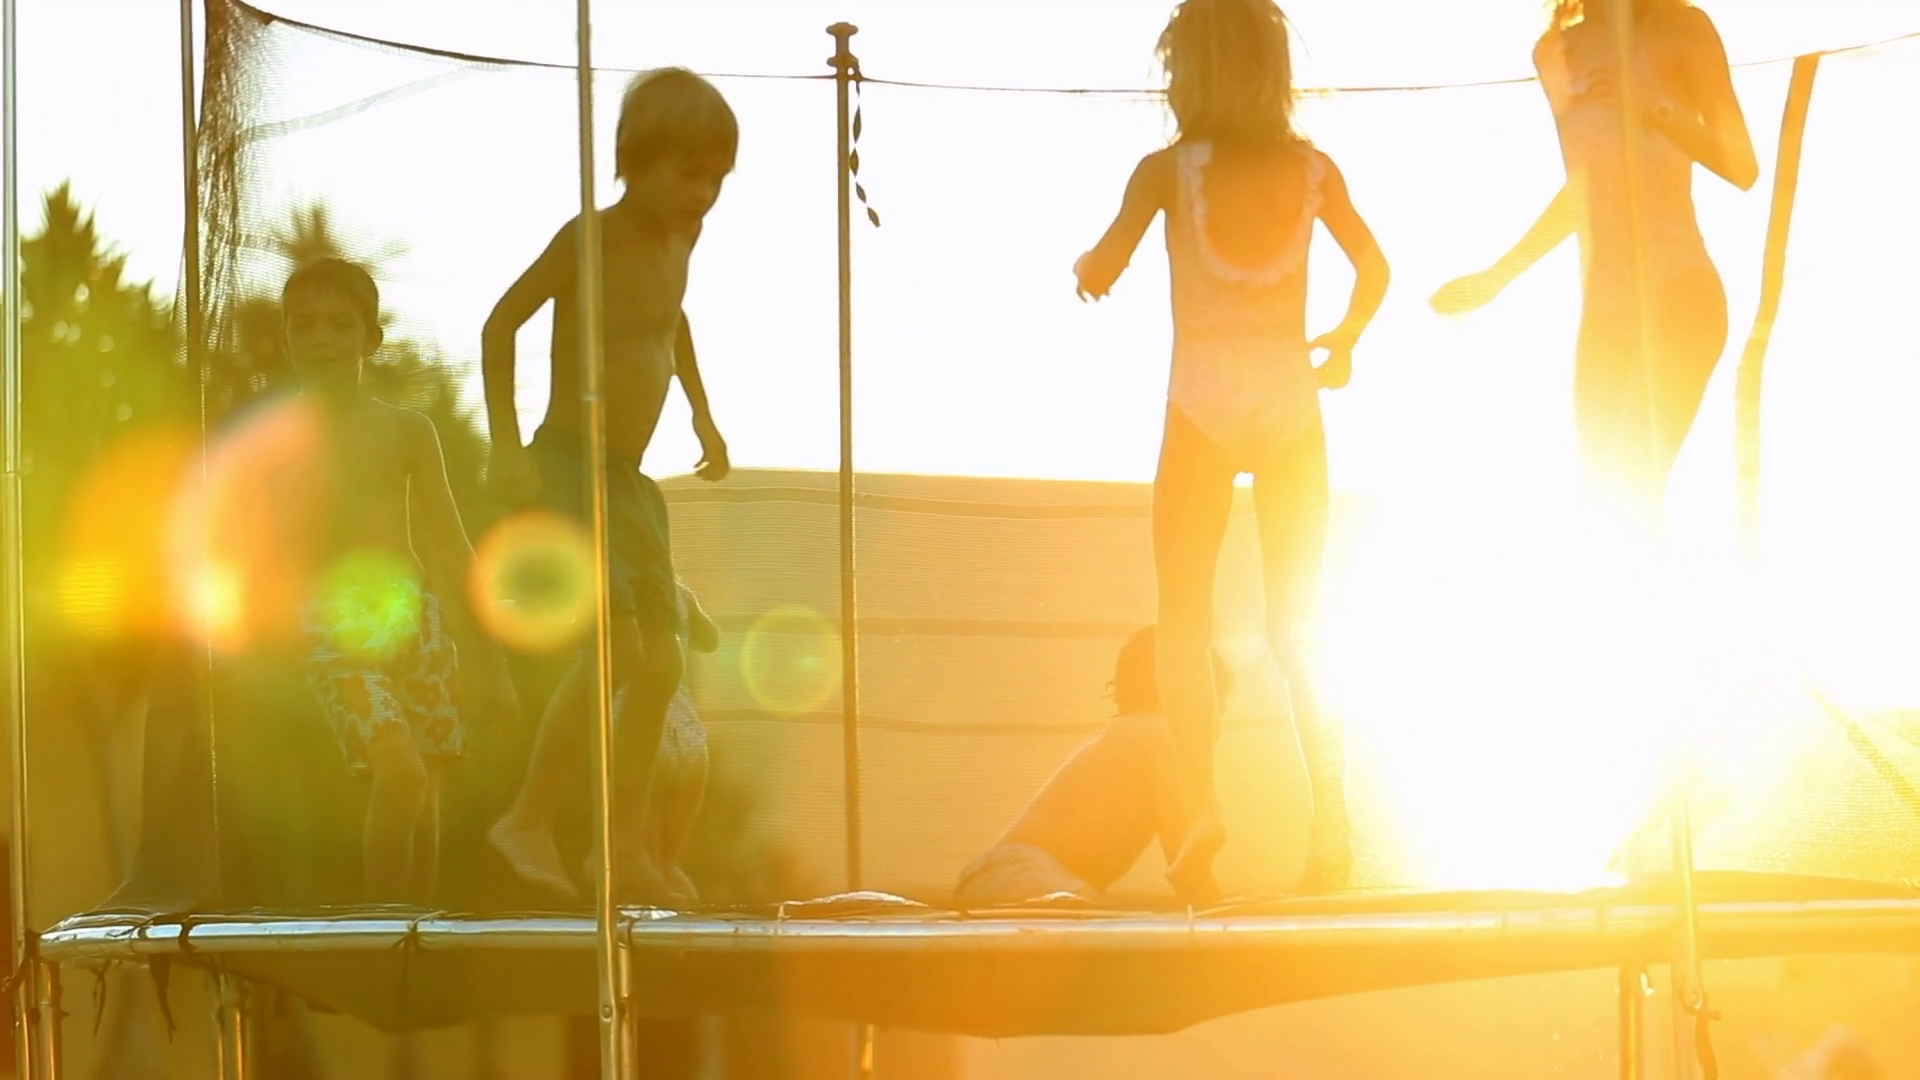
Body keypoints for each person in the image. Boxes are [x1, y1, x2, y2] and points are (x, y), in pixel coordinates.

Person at [1073, 0, 1389, 902]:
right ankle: (1333, 823)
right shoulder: (1313, 171)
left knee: (1183, 615)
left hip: (1200, 408)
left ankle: (1202, 809)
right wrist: (1345, 340)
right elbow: (1375, 268)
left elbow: (1104, 262)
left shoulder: (1165, 174)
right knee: (1300, 623)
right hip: (1291, 406)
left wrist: (1091, 269)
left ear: (1194, 74)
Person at [482, 68, 736, 903]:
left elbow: (672, 322)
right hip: (569, 465)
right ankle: (527, 819)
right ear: (632, 159)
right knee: (619, 651)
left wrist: (702, 413)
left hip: (630, 481)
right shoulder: (591, 238)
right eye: (688, 174)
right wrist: (507, 446)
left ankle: (620, 847)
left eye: (717, 178)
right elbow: (501, 323)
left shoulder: (683, 239)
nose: (702, 194)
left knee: (660, 666)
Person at [1431, 0, 1756, 521]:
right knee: (1605, 503)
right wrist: (1497, 277)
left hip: (1680, 297)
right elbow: (1585, 188)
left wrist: (1653, 108)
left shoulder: (1681, 28)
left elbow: (1743, 166)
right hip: (1605, 313)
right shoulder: (1555, 51)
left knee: (1634, 491)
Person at [281, 256, 517, 903]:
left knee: (428, 788)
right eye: (304, 326)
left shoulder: (408, 430)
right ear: (288, 339)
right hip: (336, 623)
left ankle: (420, 924)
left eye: (339, 325)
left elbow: (451, 544)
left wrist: (493, 661)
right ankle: (385, 929)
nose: (321, 340)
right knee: (402, 775)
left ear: (371, 339)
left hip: (416, 620)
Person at [955, 627, 1235, 909]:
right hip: (1016, 871)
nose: (1217, 720)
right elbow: (1183, 857)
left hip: (1006, 874)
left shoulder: (1136, 733)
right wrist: (1219, 912)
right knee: (1087, 917)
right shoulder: (1158, 734)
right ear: (1189, 693)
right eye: (1216, 705)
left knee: (1089, 914)